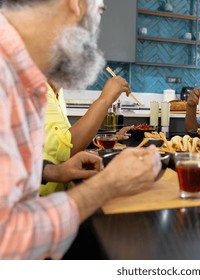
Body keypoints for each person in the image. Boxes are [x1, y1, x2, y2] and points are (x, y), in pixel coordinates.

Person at [0, 0, 161, 259]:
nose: (96, 33)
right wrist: (106, 186)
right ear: (76, 3)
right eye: (100, 11)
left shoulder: (23, 74)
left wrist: (51, 170)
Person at [41, 78, 131, 195]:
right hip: (38, 198)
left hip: (59, 193)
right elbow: (67, 148)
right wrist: (105, 99)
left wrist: (106, 138)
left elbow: (59, 138)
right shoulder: (36, 88)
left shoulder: (57, 91)